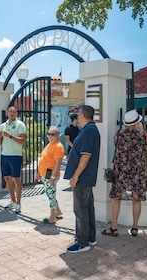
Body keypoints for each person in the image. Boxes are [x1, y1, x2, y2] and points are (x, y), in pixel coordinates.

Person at [102, 109, 147, 238]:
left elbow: (117, 145)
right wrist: (141, 128)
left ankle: (114, 228)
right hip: (138, 172)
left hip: (121, 171)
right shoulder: (142, 136)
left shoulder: (119, 134)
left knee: (116, 198)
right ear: (137, 122)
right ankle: (134, 228)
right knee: (137, 199)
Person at [64, 105, 101, 253]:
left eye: (79, 114)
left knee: (80, 209)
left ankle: (82, 242)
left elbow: (85, 156)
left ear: (84, 115)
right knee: (87, 208)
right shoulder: (90, 130)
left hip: (82, 178)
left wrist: (75, 176)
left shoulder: (88, 131)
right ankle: (90, 238)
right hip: (87, 177)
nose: (77, 116)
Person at [0, 106, 26, 214]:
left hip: (15, 156)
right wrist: (0, 136)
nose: (12, 114)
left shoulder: (20, 125)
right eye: (10, 112)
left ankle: (18, 204)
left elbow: (23, 141)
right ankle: (12, 201)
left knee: (16, 180)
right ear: (7, 113)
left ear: (16, 113)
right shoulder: (2, 126)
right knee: (7, 179)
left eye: (14, 112)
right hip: (4, 156)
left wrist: (10, 136)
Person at [36, 126, 65, 224]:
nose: (50, 136)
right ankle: (58, 212)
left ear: (57, 136)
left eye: (53, 134)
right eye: (49, 134)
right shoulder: (49, 145)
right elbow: (42, 159)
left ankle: (52, 216)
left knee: (51, 195)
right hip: (45, 174)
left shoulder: (58, 146)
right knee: (50, 194)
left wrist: (52, 177)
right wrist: (38, 172)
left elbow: (58, 162)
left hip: (51, 175)